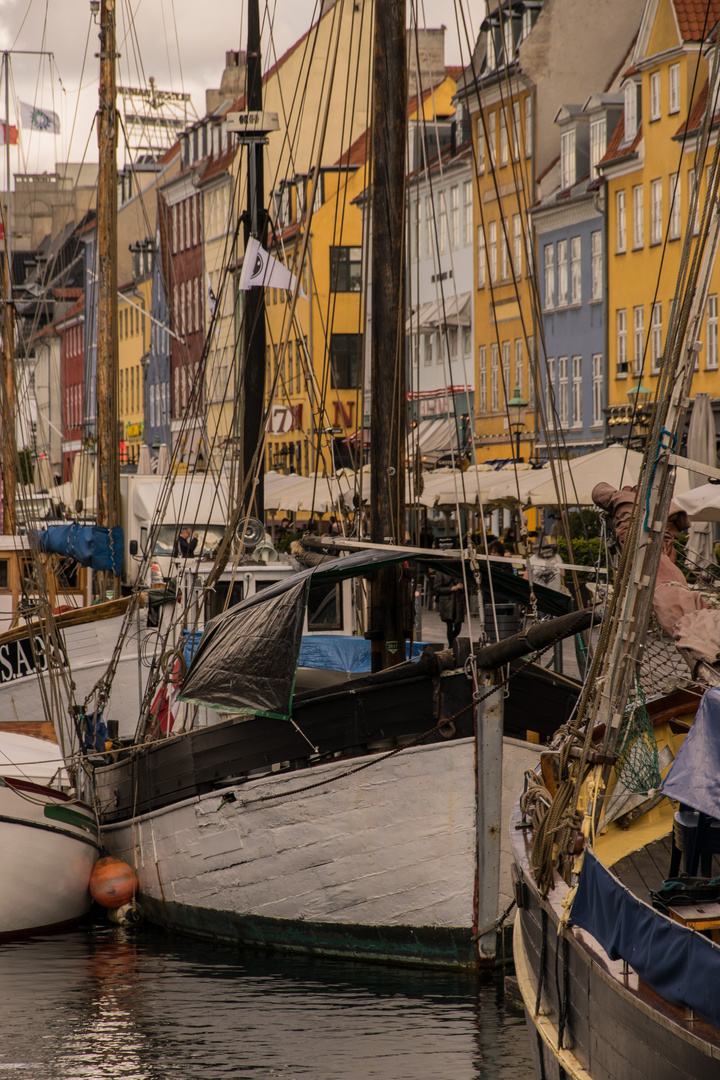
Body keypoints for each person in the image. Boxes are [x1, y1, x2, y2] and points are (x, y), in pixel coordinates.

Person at [433, 569, 466, 646]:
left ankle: (451, 643)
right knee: (449, 625)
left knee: (458, 627)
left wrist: (462, 586)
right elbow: (437, 588)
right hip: (447, 603)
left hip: (458, 602)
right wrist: (450, 589)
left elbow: (467, 585)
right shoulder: (441, 572)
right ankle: (451, 646)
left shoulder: (459, 570)